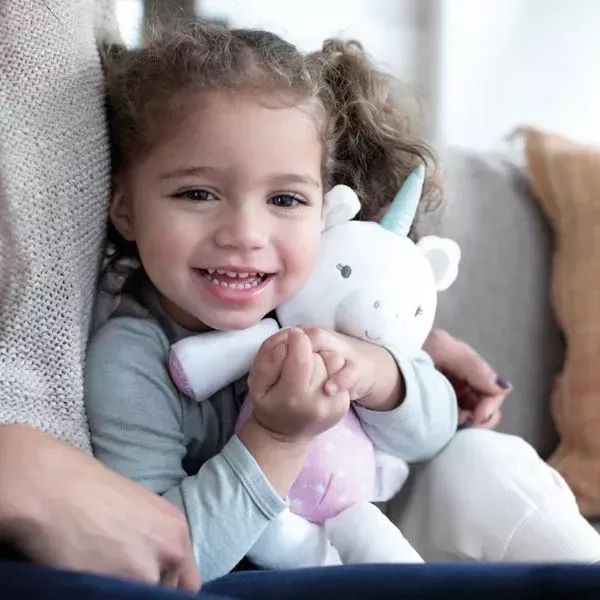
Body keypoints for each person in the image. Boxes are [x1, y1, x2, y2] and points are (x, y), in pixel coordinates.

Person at [83, 19, 600, 588]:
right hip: (274, 572)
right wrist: (277, 438)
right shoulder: (132, 358)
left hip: (385, 537)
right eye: (197, 193)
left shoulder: (323, 294)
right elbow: (164, 558)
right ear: (124, 208)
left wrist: (378, 372)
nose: (246, 234)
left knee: (482, 460)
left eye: (285, 199)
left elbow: (434, 432)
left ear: (325, 210)